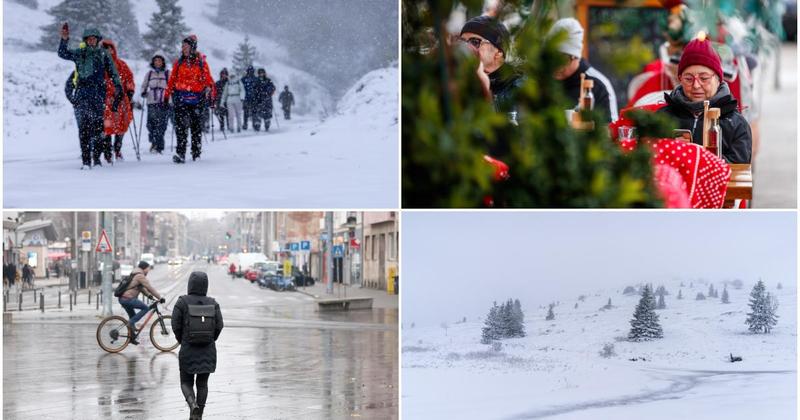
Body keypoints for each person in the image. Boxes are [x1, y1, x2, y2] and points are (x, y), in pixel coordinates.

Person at [659, 35, 751, 163]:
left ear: (718, 79)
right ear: (680, 79)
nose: (696, 85)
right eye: (688, 79)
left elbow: (739, 167)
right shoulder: (662, 118)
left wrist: (695, 158)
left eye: (704, 78)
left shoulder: (736, 124)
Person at [57, 24, 122, 169]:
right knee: (84, 129)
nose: (91, 41)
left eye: (94, 38)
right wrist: (64, 39)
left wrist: (118, 87)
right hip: (82, 94)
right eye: (89, 39)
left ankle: (97, 159)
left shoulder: (103, 54)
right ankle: (86, 161)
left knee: (98, 128)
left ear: (98, 40)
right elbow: (62, 53)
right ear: (85, 40)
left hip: (98, 94)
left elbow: (113, 72)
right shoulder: (80, 53)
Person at [172, 272, 223, 420]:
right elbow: (219, 325)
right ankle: (199, 415)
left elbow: (175, 325)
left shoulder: (182, 302)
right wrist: (211, 339)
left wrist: (182, 339)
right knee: (202, 384)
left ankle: (192, 404)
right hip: (208, 350)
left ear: (190, 284)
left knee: (185, 382)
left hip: (188, 348)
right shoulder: (213, 303)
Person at [547, 18, 618, 123]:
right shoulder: (540, 79)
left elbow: (610, 129)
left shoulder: (598, 86)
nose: (556, 65)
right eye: (552, 57)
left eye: (563, 59)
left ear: (577, 57)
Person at [165, 35, 215, 164]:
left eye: (186, 46)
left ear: (192, 47)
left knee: (196, 127)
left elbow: (208, 80)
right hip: (181, 98)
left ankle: (196, 154)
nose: (183, 48)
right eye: (182, 46)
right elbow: (172, 80)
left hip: (197, 99)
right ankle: (181, 153)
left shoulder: (201, 63)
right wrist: (167, 95)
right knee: (180, 127)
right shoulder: (179, 62)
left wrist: (210, 93)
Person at [101, 40, 135, 163]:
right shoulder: (99, 65)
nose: (108, 51)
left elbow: (129, 79)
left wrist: (130, 91)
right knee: (106, 126)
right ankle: (107, 151)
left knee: (122, 125)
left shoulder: (122, 64)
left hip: (121, 100)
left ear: (113, 49)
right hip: (106, 101)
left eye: (110, 48)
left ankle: (117, 149)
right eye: (105, 49)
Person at [118, 261, 164, 345]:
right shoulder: (140, 276)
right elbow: (149, 288)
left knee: (132, 317)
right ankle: (130, 323)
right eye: (148, 268)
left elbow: (141, 288)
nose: (149, 270)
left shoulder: (135, 274)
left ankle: (132, 338)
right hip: (127, 298)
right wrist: (160, 298)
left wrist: (149, 296)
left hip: (123, 299)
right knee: (145, 308)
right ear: (144, 268)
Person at [141, 52, 171, 154]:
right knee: (150, 124)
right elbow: (144, 85)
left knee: (162, 125)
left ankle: (159, 146)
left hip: (164, 101)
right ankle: (154, 142)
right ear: (153, 62)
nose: (157, 62)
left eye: (159, 60)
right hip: (151, 101)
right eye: (155, 61)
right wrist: (143, 92)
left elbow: (172, 86)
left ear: (163, 62)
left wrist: (171, 97)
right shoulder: (149, 74)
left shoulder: (167, 73)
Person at [240, 66, 258, 130]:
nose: (250, 72)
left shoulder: (256, 79)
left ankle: (254, 124)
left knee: (253, 111)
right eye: (249, 71)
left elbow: (258, 88)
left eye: (251, 71)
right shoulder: (244, 79)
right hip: (246, 97)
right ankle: (245, 124)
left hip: (254, 97)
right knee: (246, 112)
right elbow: (241, 88)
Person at [213, 68, 229, 133]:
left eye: (225, 74)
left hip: (228, 99)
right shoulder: (217, 83)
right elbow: (215, 91)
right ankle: (222, 125)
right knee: (221, 113)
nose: (224, 75)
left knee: (228, 113)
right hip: (219, 99)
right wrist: (215, 99)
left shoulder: (229, 82)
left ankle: (229, 125)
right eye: (223, 74)